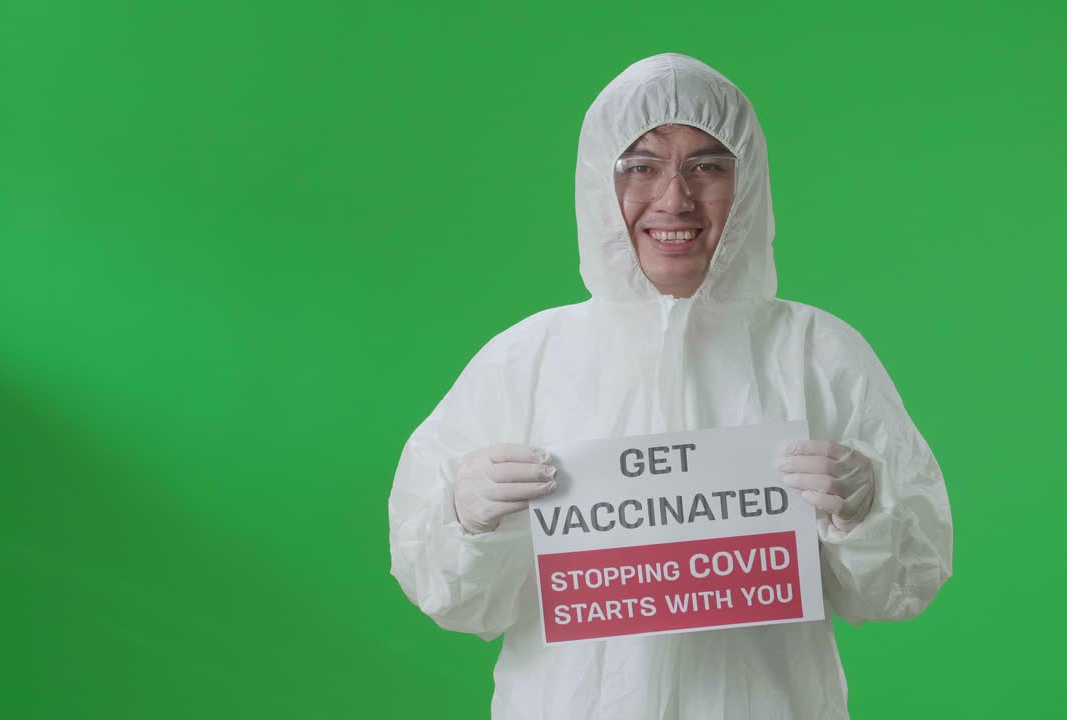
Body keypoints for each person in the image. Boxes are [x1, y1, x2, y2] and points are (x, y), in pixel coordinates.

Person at [388, 53, 953, 719]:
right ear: (600, 181)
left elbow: (900, 589)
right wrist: (465, 520)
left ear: (748, 182)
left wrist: (867, 513)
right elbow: (451, 598)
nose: (674, 198)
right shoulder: (526, 361)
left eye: (707, 165)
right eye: (640, 166)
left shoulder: (816, 353)